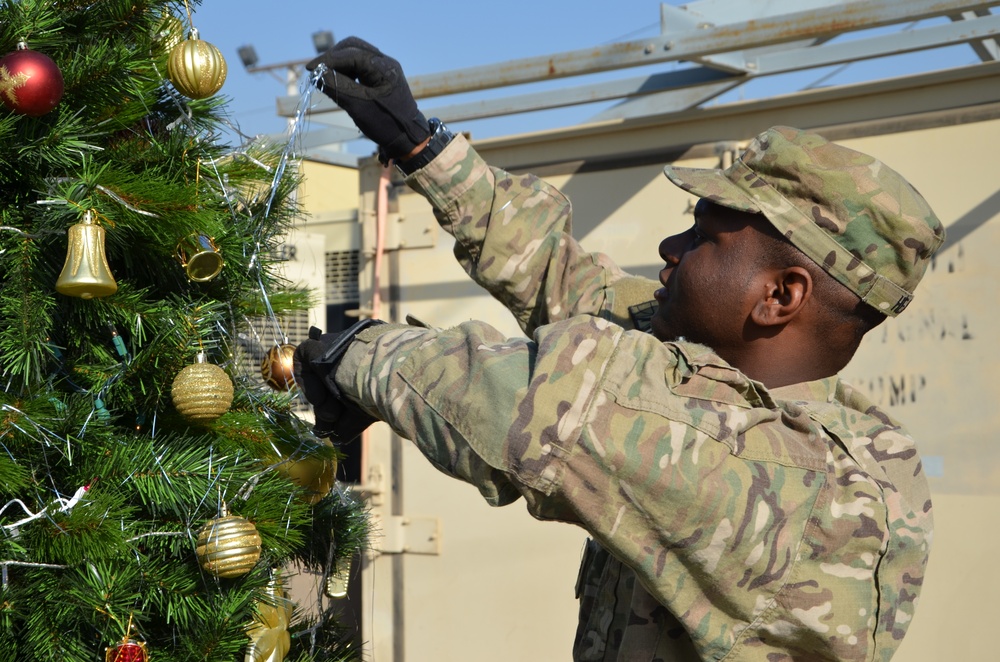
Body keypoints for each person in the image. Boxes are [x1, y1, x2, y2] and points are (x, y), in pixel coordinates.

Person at [293, 37, 942, 662]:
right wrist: (421, 145)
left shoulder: (825, 488)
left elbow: (547, 399)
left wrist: (359, 353)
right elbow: (564, 276)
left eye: (704, 235)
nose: (671, 248)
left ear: (778, 296)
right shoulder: (700, 361)